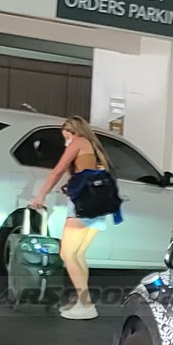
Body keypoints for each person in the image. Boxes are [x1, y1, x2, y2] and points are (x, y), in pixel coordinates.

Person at [28, 117, 121, 319]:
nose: (66, 142)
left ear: (71, 132)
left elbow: (57, 171)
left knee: (67, 254)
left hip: (82, 206)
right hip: (98, 206)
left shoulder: (78, 142)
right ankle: (82, 301)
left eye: (66, 137)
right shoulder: (94, 146)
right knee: (78, 255)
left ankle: (87, 305)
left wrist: (41, 195)